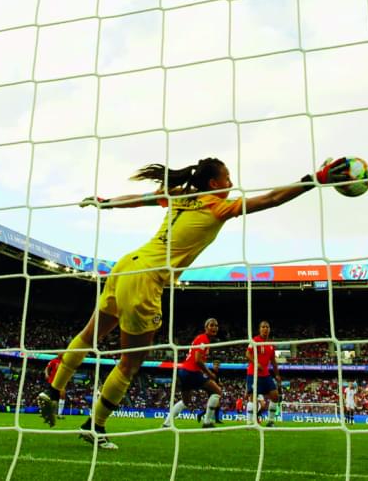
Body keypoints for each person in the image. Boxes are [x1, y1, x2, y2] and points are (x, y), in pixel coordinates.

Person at [50, 157, 351, 450]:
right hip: (147, 279)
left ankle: (52, 391)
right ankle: (95, 426)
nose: (232, 184)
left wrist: (105, 202)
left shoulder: (179, 195)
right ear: (213, 183)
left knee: (90, 335)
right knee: (130, 363)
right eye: (227, 178)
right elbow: (271, 199)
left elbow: (136, 199)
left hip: (126, 265)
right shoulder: (218, 206)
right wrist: (315, 180)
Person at [164, 318, 221, 428]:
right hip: (192, 372)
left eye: (216, 325)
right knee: (217, 391)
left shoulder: (202, 339)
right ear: (206, 328)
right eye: (212, 325)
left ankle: (167, 423)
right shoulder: (203, 339)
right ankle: (207, 422)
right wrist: (210, 374)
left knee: (186, 401)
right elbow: (197, 360)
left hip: (184, 372)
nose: (214, 327)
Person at [246, 320, 282, 427]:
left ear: (269, 329)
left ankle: (270, 421)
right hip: (253, 373)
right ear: (259, 329)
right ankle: (249, 422)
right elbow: (247, 354)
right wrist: (256, 363)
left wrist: (277, 375)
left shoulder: (270, 345)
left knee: (275, 396)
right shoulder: (254, 340)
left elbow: (273, 362)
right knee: (252, 397)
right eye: (263, 327)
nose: (265, 329)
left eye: (267, 327)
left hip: (265, 375)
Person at [38, 354, 65, 427]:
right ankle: (45, 412)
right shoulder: (54, 361)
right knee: (49, 397)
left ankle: (55, 414)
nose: (62, 354)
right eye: (61, 353)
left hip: (61, 382)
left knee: (58, 398)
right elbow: (47, 368)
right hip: (52, 381)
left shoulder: (64, 361)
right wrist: (46, 374)